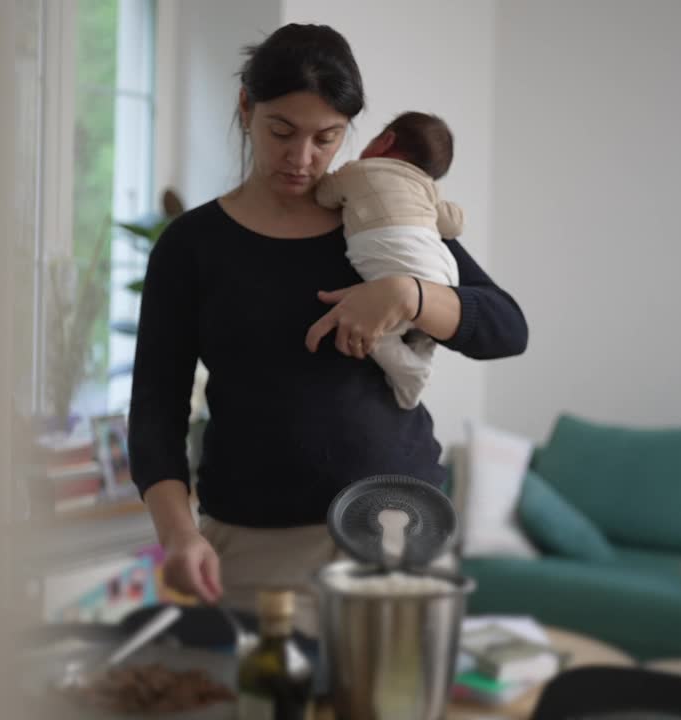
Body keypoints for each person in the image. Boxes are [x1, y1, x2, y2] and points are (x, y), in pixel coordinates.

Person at [127, 23, 527, 635]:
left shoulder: (378, 215)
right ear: (246, 107)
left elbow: (506, 328)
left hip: (401, 537)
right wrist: (178, 537)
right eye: (281, 131)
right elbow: (155, 412)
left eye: (327, 137)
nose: (303, 158)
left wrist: (406, 294)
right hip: (258, 550)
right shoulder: (193, 246)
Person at [315, 111, 464, 409]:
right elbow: (453, 226)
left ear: (385, 141)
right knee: (421, 328)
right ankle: (423, 345)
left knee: (375, 333)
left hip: (398, 268)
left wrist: (331, 181)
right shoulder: (425, 186)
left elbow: (322, 196)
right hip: (444, 277)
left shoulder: (357, 171)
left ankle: (411, 375)